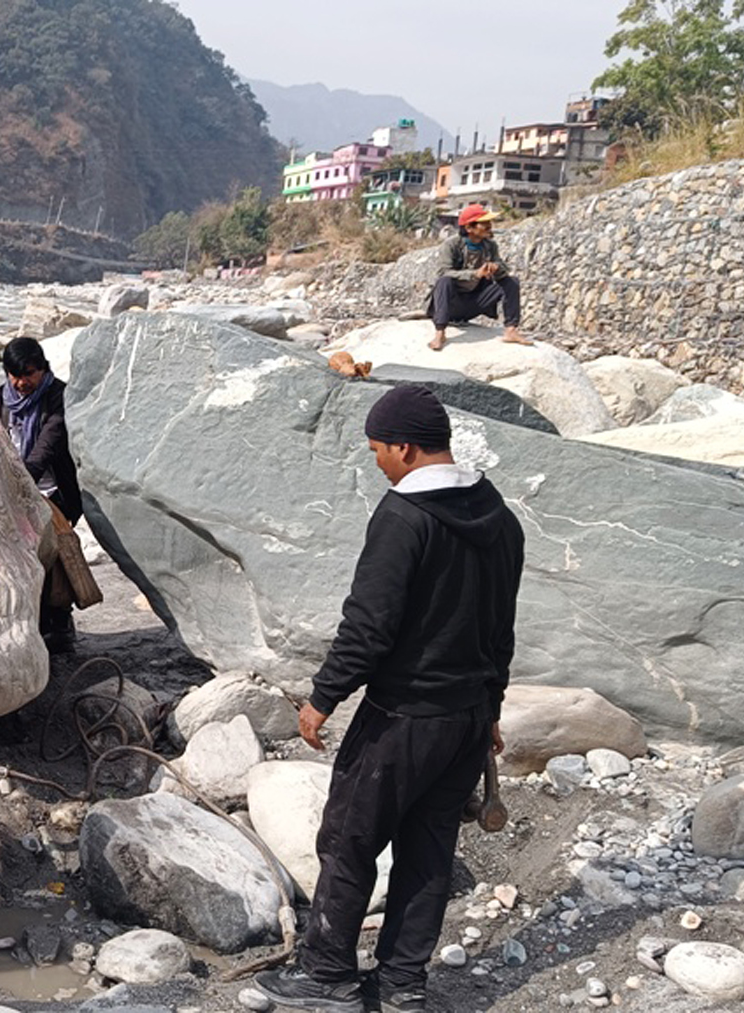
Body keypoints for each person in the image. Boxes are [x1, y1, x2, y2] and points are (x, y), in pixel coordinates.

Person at [254, 385, 525, 1013]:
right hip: (466, 716)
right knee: (429, 849)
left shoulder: (404, 517)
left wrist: (323, 697)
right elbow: (501, 627)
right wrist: (492, 709)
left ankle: (327, 976)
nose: (376, 460)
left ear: (404, 448)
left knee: (349, 841)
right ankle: (403, 984)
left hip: (403, 715)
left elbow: (369, 626)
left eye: (377, 448)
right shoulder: (500, 516)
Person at [0, 337, 83, 653]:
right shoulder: (1, 399)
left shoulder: (59, 396)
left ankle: (59, 621)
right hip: (15, 490)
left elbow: (46, 446)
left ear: (43, 369)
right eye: (14, 375)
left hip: (53, 491)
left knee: (51, 557)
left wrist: (21, 484)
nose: (21, 383)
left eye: (28, 374)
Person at [427, 204, 531, 351]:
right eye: (484, 223)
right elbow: (443, 272)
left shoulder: (490, 246)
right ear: (469, 228)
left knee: (511, 282)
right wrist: (475, 274)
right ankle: (440, 332)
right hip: (452, 304)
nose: (490, 226)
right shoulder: (451, 245)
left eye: (489, 222)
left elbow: (502, 267)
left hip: (474, 303)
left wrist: (496, 268)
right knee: (444, 281)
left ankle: (511, 330)